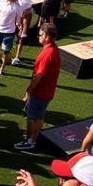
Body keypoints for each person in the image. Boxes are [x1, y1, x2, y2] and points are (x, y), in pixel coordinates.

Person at [15, 23, 61, 151]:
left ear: (46, 36)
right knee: (38, 117)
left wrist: (29, 91)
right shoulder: (53, 49)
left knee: (33, 117)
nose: (38, 37)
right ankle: (33, 138)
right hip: (47, 91)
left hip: (40, 92)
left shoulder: (47, 54)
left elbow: (38, 76)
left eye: (40, 34)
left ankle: (31, 141)